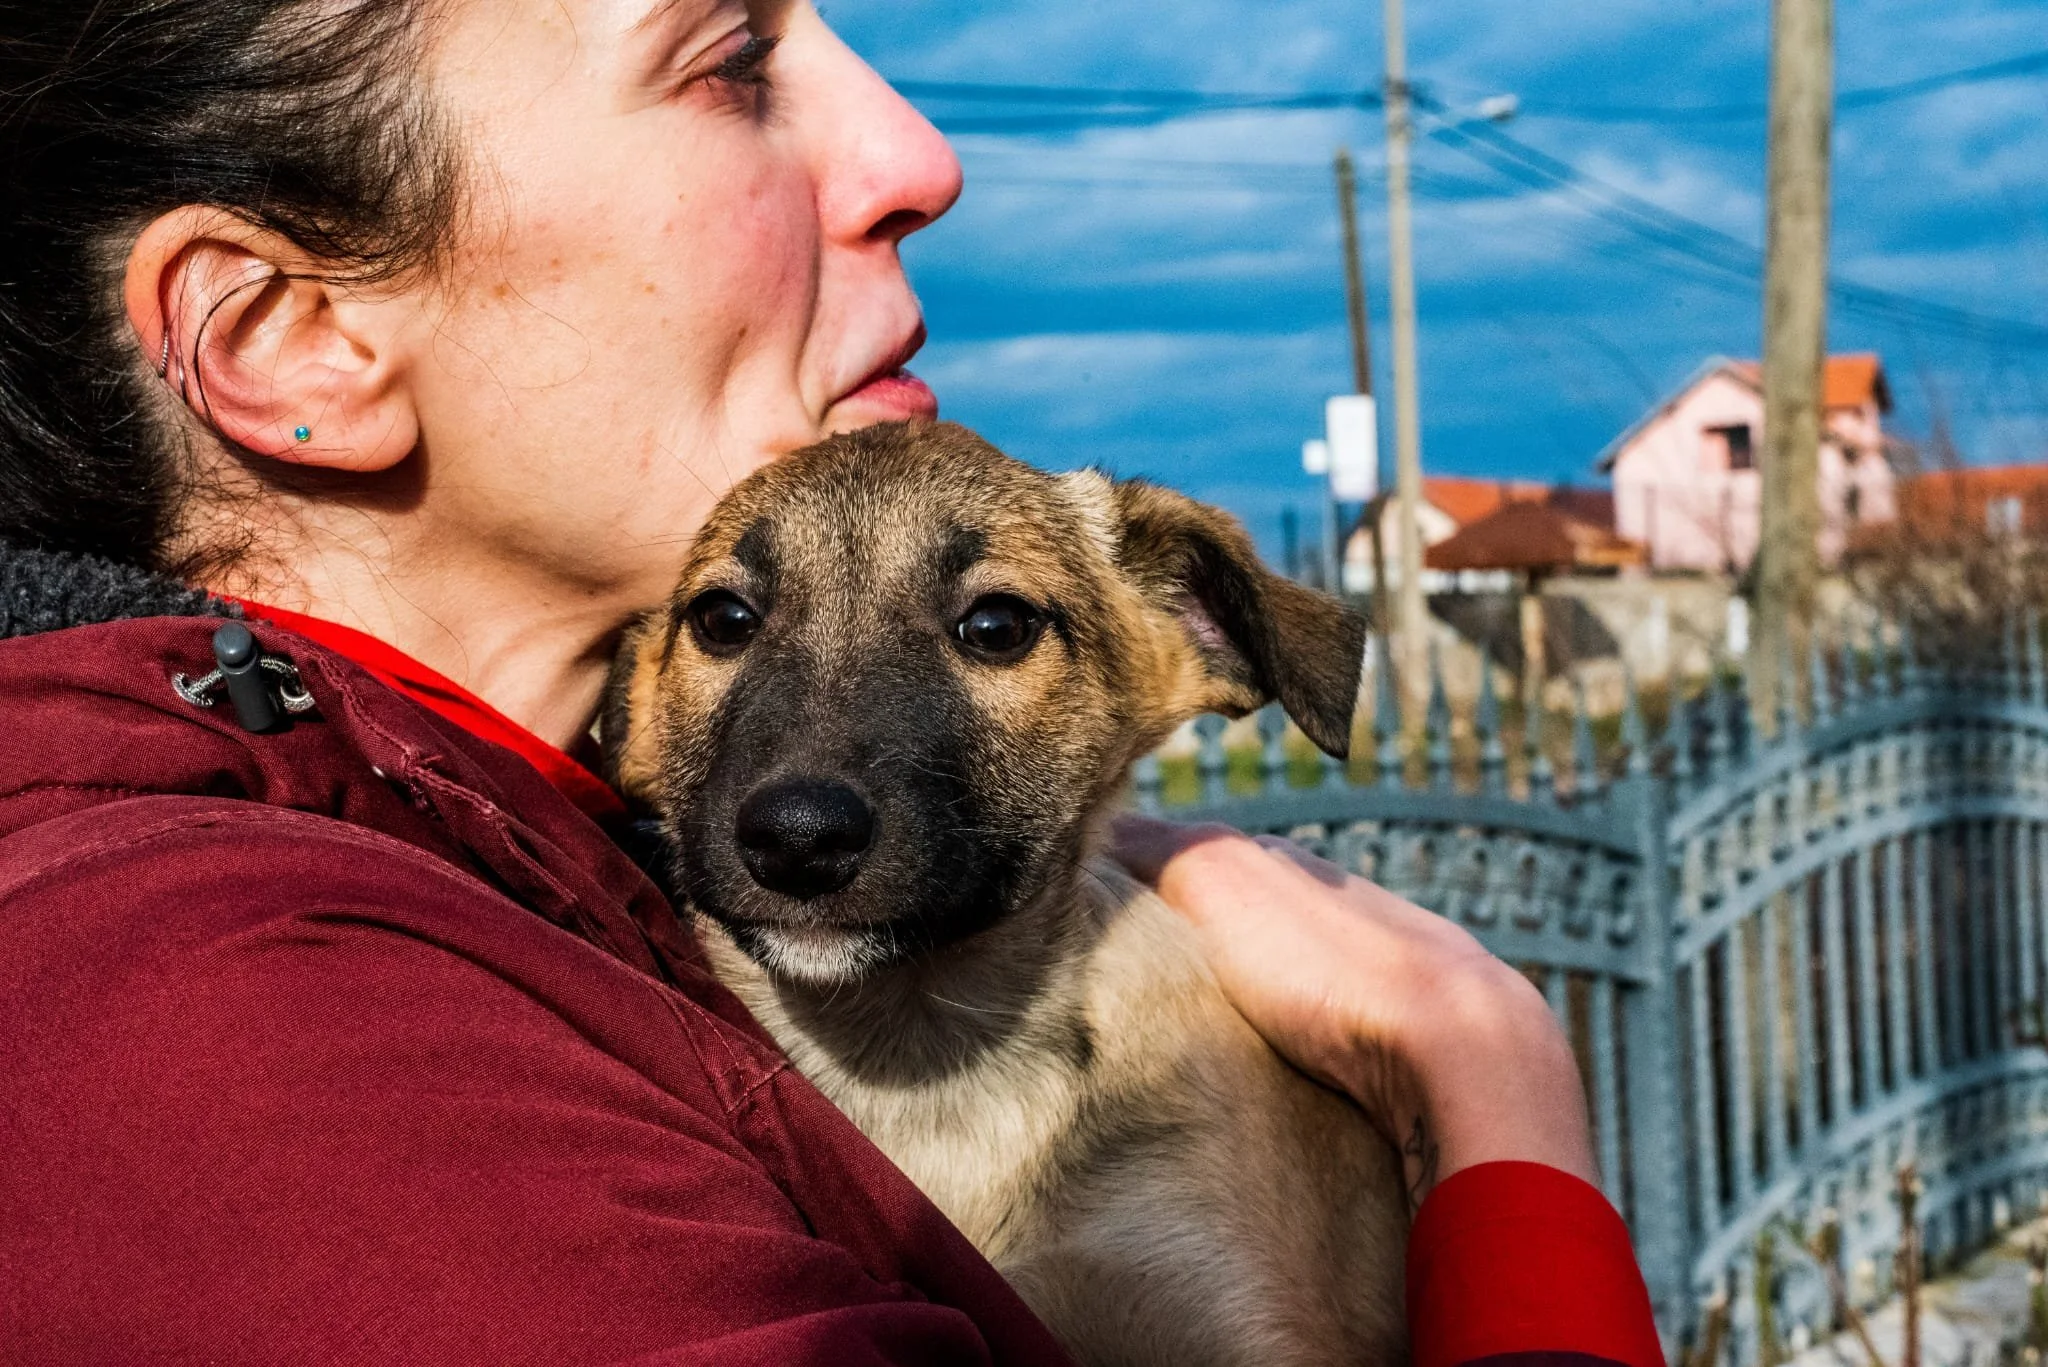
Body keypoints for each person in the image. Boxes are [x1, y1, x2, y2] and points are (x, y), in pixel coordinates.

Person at [0, 2, 1662, 1364]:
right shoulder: (228, 1010)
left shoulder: (517, 863)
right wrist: (1495, 1105)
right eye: (728, 60)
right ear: (295, 337)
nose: (917, 158)